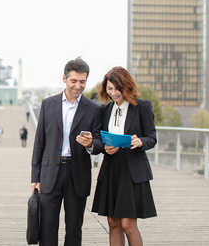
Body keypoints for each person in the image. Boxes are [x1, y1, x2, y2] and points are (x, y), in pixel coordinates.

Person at [31, 57, 103, 246]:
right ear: (64, 78)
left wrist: (90, 144)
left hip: (77, 173)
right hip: (49, 174)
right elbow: (40, 142)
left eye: (82, 82)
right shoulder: (48, 104)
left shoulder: (94, 109)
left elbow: (99, 142)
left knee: (73, 229)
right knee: (46, 227)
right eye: (74, 81)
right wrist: (34, 176)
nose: (78, 86)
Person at [91, 66, 157, 246]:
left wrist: (140, 142)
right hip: (111, 168)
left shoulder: (142, 106)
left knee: (128, 224)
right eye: (109, 89)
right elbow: (101, 139)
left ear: (126, 85)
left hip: (132, 170)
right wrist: (105, 148)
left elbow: (152, 137)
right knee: (113, 222)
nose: (113, 93)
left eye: (117, 88)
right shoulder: (105, 110)